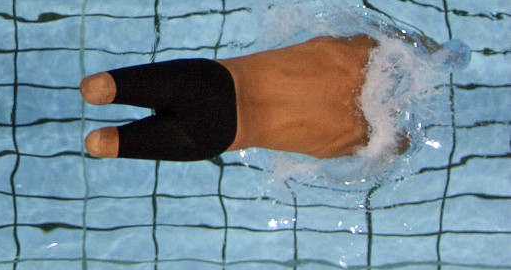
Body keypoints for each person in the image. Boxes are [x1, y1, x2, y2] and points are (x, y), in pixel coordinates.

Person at [79, 35, 378, 161]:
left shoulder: (358, 54)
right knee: (99, 144)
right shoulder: (358, 134)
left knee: (97, 87)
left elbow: (407, 46)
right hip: (218, 134)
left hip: (212, 81)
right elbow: (392, 148)